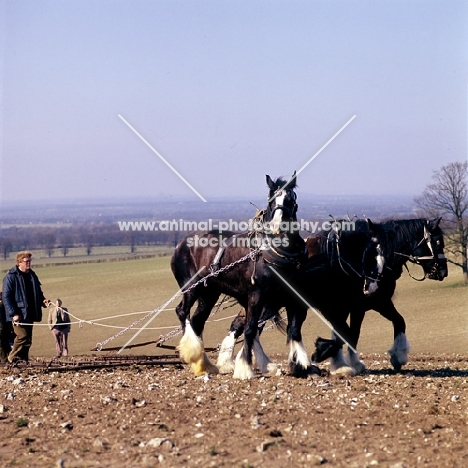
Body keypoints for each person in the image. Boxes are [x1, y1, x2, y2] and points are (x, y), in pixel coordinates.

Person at [2, 251, 50, 362]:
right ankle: (11, 358)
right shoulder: (10, 277)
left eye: (30, 261)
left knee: (28, 340)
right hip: (18, 314)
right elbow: (6, 297)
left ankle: (22, 361)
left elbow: (38, 292)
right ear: (19, 262)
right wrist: (13, 313)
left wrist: (43, 301)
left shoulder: (32, 275)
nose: (29, 263)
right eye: (26, 261)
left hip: (29, 313)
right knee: (22, 336)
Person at [0, 292, 14, 362]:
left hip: (3, 328)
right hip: (7, 328)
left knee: (2, 345)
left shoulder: (2, 306)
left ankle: (4, 361)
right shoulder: (6, 306)